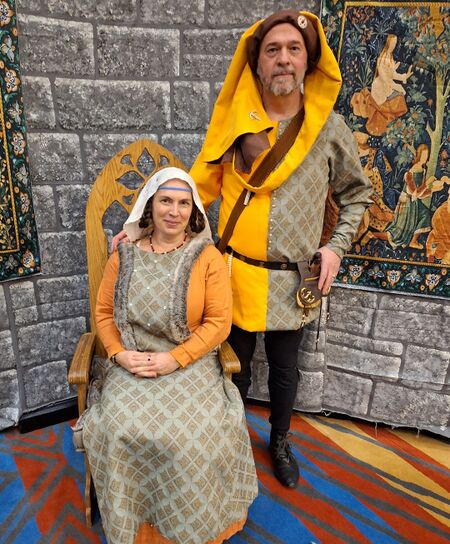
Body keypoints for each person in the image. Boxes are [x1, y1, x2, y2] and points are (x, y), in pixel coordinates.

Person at [189, 10, 371, 489]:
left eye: (294, 49)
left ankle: (281, 439)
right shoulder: (234, 123)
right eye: (273, 50)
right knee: (234, 370)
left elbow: (357, 195)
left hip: (294, 280)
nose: (284, 59)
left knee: (286, 371)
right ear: (258, 63)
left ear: (308, 61)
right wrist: (140, 225)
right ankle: (231, 442)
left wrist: (335, 248)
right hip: (234, 275)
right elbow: (196, 189)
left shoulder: (329, 127)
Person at [78, 167, 258, 544]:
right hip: (132, 362)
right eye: (165, 201)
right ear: (150, 205)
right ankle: (138, 529)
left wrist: (175, 358)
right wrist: (118, 354)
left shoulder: (207, 257)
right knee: (119, 426)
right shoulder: (124, 254)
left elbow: (218, 322)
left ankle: (193, 529)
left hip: (190, 363)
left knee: (194, 434)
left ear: (193, 211)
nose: (174, 211)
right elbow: (104, 313)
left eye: (183, 203)